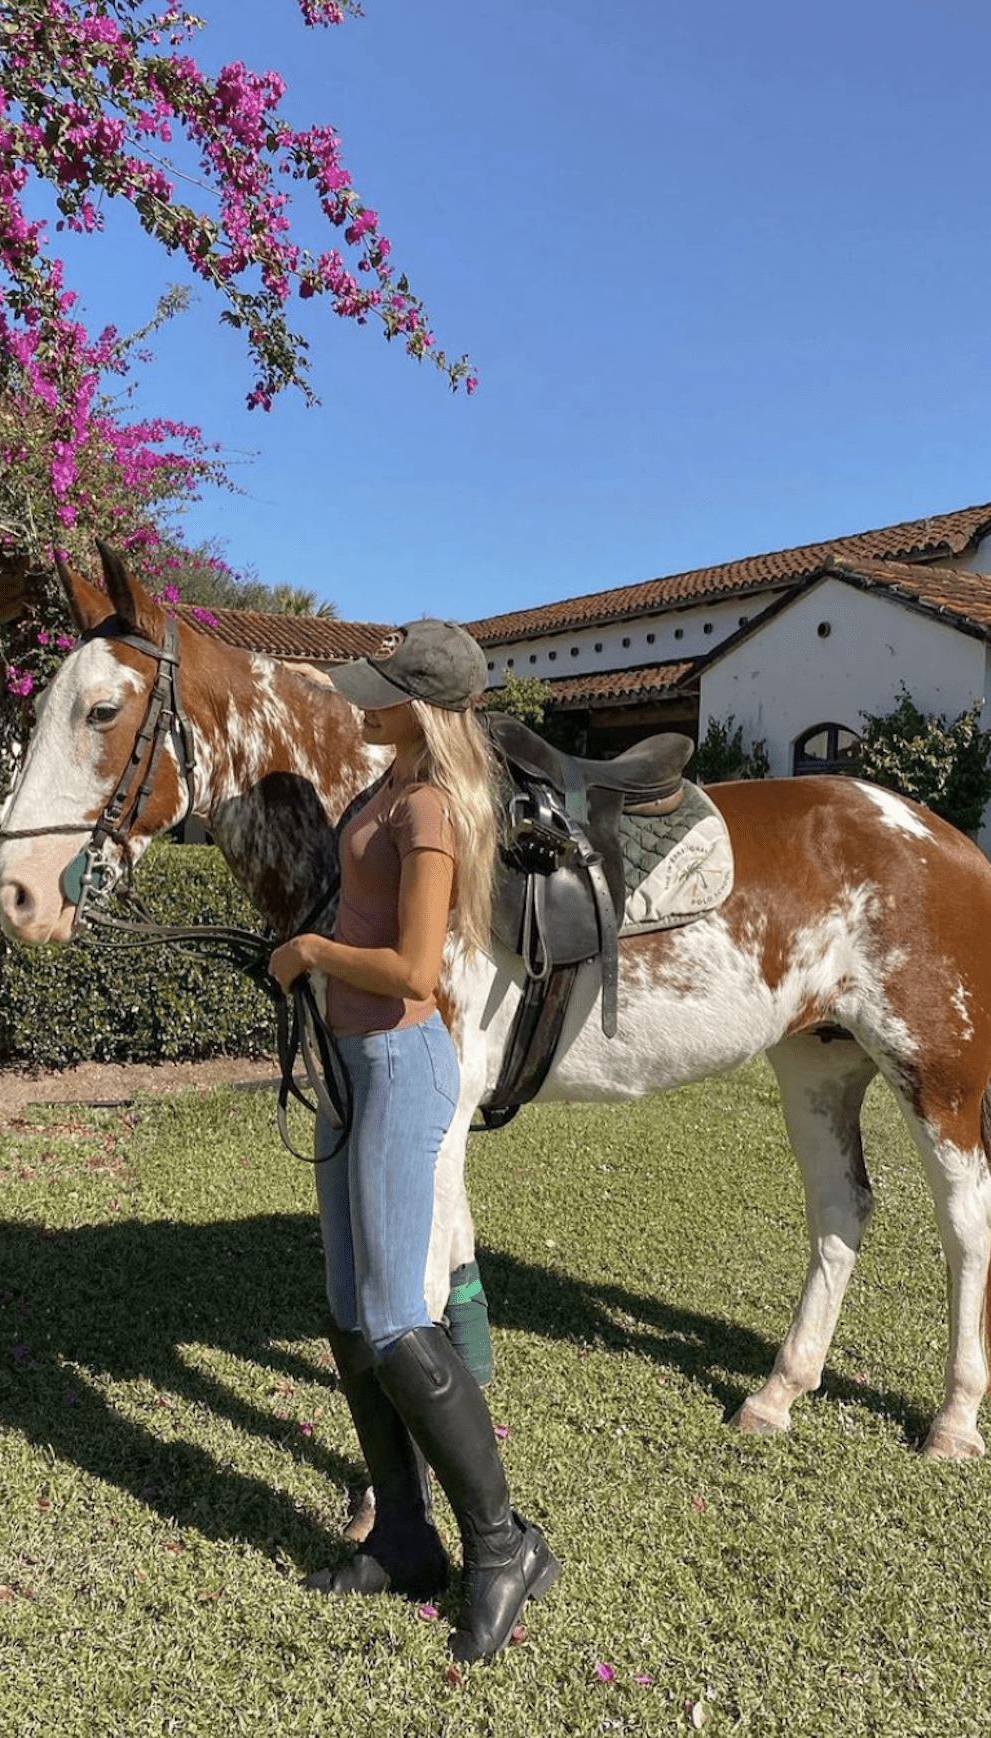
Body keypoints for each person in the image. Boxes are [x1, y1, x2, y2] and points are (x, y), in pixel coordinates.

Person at [268, 618, 560, 1665]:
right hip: (351, 1069)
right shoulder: (382, 786)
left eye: (380, 691)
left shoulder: (430, 805)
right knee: (349, 1312)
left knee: (396, 1321)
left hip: (397, 1064)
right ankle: (401, 1536)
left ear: (423, 706)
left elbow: (417, 967)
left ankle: (500, 1546)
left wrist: (307, 949)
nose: (361, 700)